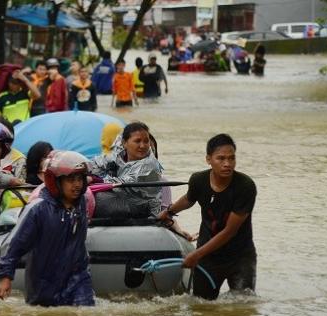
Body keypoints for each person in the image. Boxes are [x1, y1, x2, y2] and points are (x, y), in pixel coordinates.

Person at [158, 134, 257, 300]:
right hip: (208, 257)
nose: (227, 164)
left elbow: (229, 231)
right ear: (208, 159)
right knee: (201, 306)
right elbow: (189, 199)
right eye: (221, 158)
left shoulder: (245, 186)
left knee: (242, 308)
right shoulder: (198, 180)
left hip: (240, 257)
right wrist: (169, 212)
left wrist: (196, 255)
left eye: (231, 158)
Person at [0, 150, 95, 307]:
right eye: (71, 180)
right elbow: (14, 243)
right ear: (56, 181)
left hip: (78, 279)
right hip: (44, 284)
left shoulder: (81, 203)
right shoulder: (38, 209)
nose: (77, 185)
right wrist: (6, 277)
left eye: (80, 179)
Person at [90, 122, 163, 218]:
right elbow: (98, 163)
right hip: (121, 202)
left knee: (99, 198)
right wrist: (82, 170)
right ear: (124, 143)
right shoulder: (119, 155)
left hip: (144, 210)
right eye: (137, 141)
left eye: (146, 141)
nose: (142, 146)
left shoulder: (150, 165)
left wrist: (95, 180)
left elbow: (124, 183)